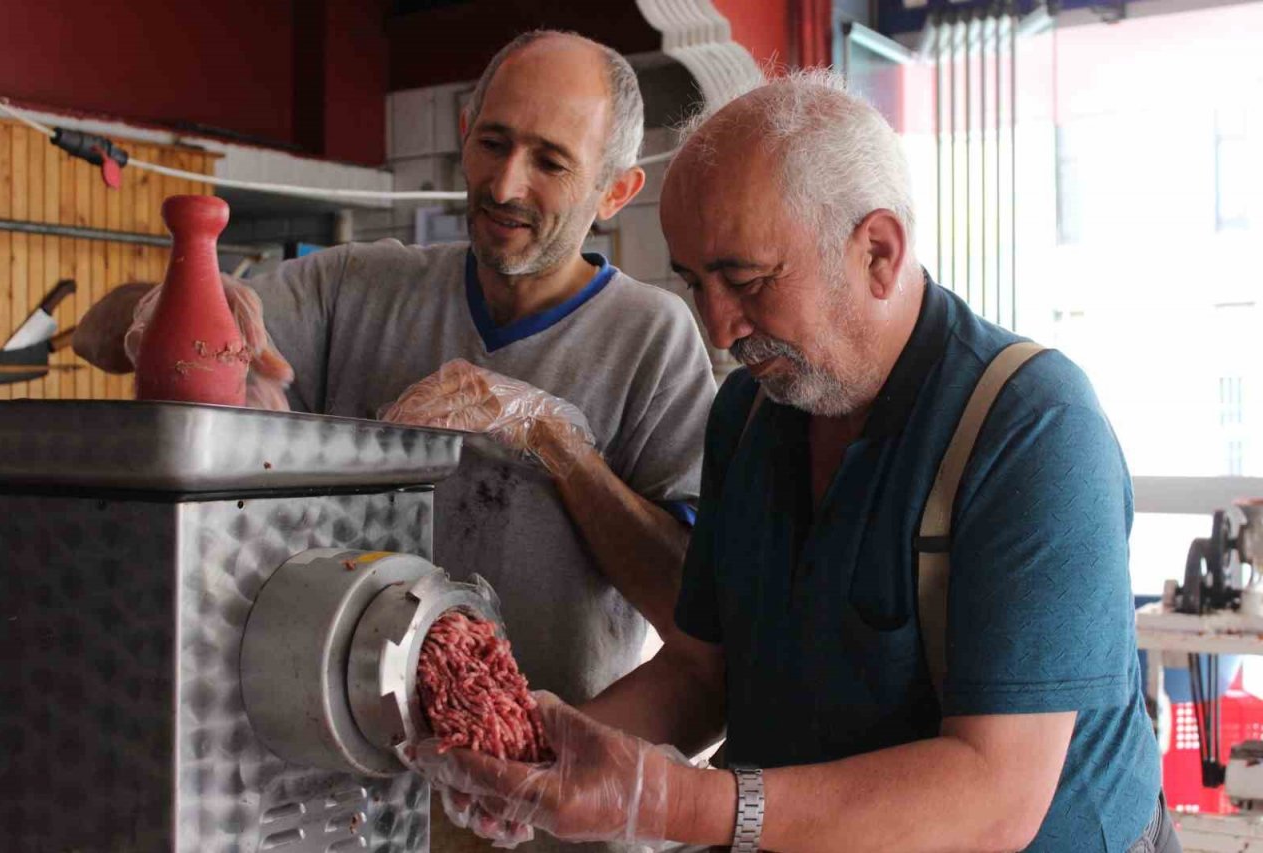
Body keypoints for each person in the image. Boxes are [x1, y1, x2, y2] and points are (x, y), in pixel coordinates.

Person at [413, 70, 1175, 853]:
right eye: (695, 283)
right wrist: (538, 754)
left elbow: (995, 795)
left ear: (878, 252)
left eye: (745, 281)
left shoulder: (1031, 426)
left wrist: (674, 801)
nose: (718, 328)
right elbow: (703, 673)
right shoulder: (750, 415)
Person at [74, 30, 716, 853]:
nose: (505, 184)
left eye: (550, 162)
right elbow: (96, 336)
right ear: (464, 134)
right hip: (340, 789)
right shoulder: (359, 287)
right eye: (493, 142)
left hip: (530, 806)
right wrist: (168, 310)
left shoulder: (653, 338)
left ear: (616, 190)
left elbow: (693, 609)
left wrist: (557, 443)